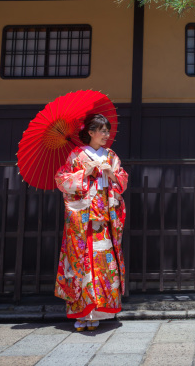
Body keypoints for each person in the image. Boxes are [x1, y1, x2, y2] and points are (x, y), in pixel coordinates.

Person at [54, 113, 128, 331]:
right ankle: (82, 312)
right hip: (83, 221)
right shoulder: (76, 155)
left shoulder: (111, 155)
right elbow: (61, 179)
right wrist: (83, 173)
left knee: (104, 266)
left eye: (108, 131)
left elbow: (122, 179)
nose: (106, 135)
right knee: (83, 265)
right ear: (91, 132)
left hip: (105, 218)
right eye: (102, 131)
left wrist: (112, 174)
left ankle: (100, 312)